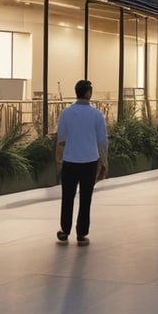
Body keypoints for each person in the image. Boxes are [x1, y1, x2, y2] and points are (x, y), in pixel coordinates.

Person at [55, 79, 108, 245]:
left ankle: (64, 230)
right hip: (90, 161)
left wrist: (59, 159)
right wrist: (104, 162)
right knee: (86, 198)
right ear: (89, 93)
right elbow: (102, 142)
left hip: (70, 161)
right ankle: (81, 234)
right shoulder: (97, 115)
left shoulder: (67, 113)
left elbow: (61, 138)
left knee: (67, 197)